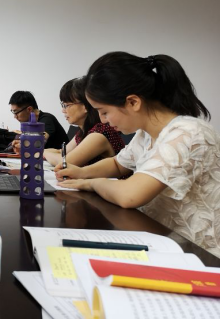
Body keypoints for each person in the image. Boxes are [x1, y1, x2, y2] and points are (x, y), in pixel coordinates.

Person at [56, 52, 220, 257]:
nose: (103, 120)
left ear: (133, 102)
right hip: (161, 239)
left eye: (104, 111)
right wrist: (81, 172)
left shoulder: (187, 134)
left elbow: (130, 195)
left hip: (200, 254)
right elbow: (118, 164)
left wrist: (92, 183)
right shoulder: (145, 134)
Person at [44, 77, 124, 167]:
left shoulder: (100, 132)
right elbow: (61, 152)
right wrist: (41, 151)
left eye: (66, 105)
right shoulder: (83, 132)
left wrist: (43, 153)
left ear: (85, 106)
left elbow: (66, 161)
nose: (63, 110)